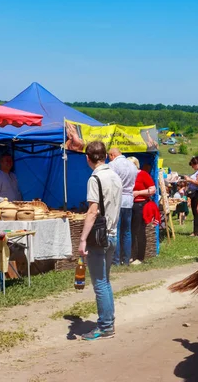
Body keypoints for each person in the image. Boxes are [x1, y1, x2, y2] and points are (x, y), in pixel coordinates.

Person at [78, 141, 122, 341]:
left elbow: (93, 211)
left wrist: (82, 239)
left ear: (88, 158)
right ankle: (108, 322)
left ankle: (105, 326)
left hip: (99, 237)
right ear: (105, 155)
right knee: (105, 281)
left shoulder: (95, 178)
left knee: (100, 283)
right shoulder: (115, 176)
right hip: (113, 233)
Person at [107, 147, 137, 266]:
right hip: (129, 200)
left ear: (112, 155)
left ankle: (116, 260)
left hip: (117, 199)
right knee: (127, 231)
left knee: (116, 230)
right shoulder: (132, 165)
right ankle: (126, 260)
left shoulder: (113, 165)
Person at [128, 156, 156, 265]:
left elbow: (152, 189)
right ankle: (130, 255)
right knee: (130, 231)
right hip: (129, 204)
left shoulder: (143, 174)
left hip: (140, 204)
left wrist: (138, 193)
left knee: (139, 231)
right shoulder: (128, 175)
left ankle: (140, 257)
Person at [184, 156, 198, 237]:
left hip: (197, 193)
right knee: (197, 212)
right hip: (196, 192)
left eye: (192, 165)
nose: (192, 167)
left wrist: (189, 179)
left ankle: (197, 231)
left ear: (196, 164)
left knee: (196, 212)